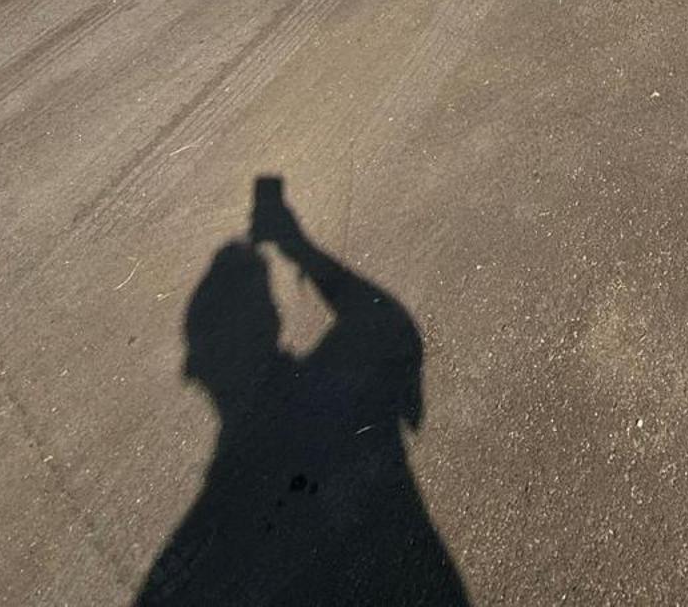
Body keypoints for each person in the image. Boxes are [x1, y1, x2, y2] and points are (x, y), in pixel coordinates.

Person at [138, 178, 468, 605]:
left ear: (195, 369)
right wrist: (296, 247)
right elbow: (389, 330)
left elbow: (389, 332)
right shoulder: (325, 387)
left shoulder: (190, 554)